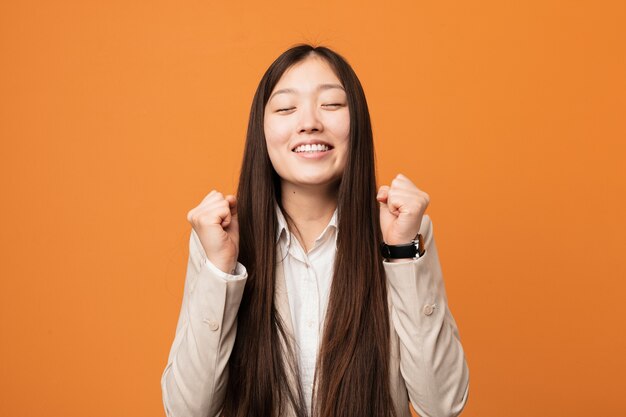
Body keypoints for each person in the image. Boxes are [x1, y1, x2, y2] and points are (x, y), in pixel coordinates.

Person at [161, 44, 469, 417]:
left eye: (332, 105)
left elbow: (442, 405)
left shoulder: (400, 232)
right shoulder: (221, 239)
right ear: (262, 131)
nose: (309, 122)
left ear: (358, 124)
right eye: (286, 108)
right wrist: (220, 269)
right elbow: (187, 410)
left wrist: (401, 252)